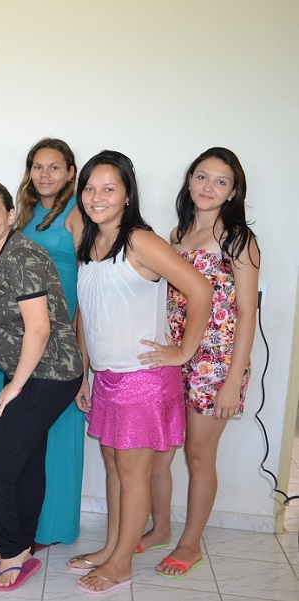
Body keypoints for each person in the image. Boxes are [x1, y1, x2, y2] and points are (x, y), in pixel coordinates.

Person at [67, 151, 212, 594]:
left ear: (128, 194)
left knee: (132, 474)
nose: (97, 197)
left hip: (143, 380)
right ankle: (114, 548)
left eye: (109, 188)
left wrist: (183, 351)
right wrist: (84, 372)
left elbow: (200, 288)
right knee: (113, 465)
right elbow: (87, 315)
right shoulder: (89, 244)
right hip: (108, 377)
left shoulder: (141, 241)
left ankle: (122, 565)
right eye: (90, 188)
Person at [139, 148, 258, 578]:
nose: (208, 187)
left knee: (198, 455)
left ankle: (190, 544)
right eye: (202, 177)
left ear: (232, 191)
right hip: (175, 356)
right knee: (159, 451)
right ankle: (161, 528)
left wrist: (231, 380)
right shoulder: (176, 233)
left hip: (216, 362)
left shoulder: (239, 239)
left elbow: (247, 313)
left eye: (220, 181)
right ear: (189, 181)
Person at [0, 179, 83, 591]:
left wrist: (13, 387)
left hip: (48, 374)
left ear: (11, 216)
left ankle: (13, 551)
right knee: (27, 460)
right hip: (32, 374)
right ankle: (22, 549)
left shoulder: (22, 255)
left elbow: (39, 328)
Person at [0, 138, 85, 547]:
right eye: (37, 166)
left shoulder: (77, 214)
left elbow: (90, 283)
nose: (45, 174)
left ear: (71, 172)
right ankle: (16, 523)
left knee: (55, 441)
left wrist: (83, 350)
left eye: (55, 167)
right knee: (19, 442)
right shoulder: (24, 213)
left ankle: (50, 527)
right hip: (21, 346)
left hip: (59, 348)